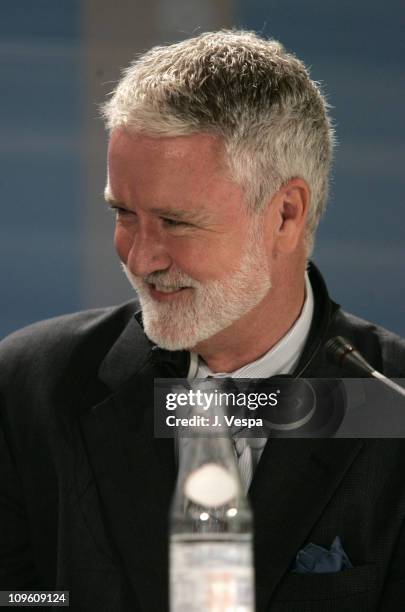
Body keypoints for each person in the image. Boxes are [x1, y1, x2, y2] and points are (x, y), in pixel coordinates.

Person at [1, 29, 404, 612]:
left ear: (286, 215)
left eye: (176, 222)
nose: (141, 259)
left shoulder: (391, 401)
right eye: (124, 213)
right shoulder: (31, 383)